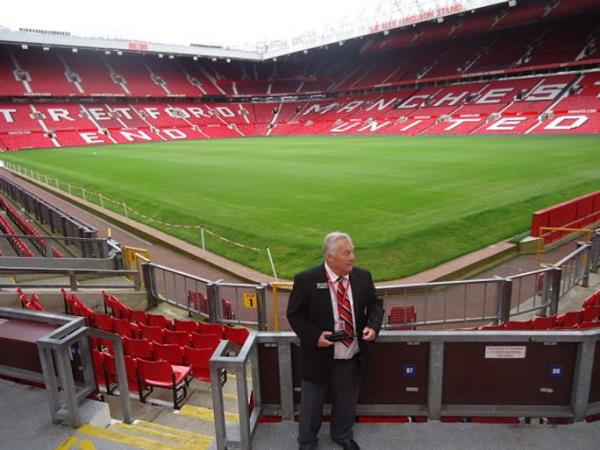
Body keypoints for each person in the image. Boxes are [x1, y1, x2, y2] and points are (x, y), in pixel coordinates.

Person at [286, 232, 384, 450]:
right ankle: (307, 442)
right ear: (330, 257)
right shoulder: (306, 280)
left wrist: (373, 326)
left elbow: (376, 305)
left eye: (353, 252)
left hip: (350, 355)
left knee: (346, 402)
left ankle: (342, 436)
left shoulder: (363, 276)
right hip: (318, 355)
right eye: (346, 253)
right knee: (311, 405)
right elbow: (294, 315)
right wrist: (314, 336)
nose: (353, 257)